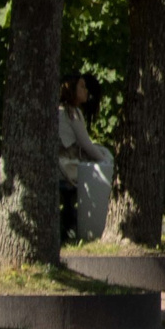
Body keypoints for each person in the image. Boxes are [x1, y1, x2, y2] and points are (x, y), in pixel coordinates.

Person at [58, 72, 115, 241]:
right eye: (82, 86)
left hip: (62, 161)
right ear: (71, 89)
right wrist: (106, 163)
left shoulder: (63, 110)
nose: (86, 90)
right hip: (66, 165)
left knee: (102, 152)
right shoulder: (71, 112)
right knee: (103, 158)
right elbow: (86, 145)